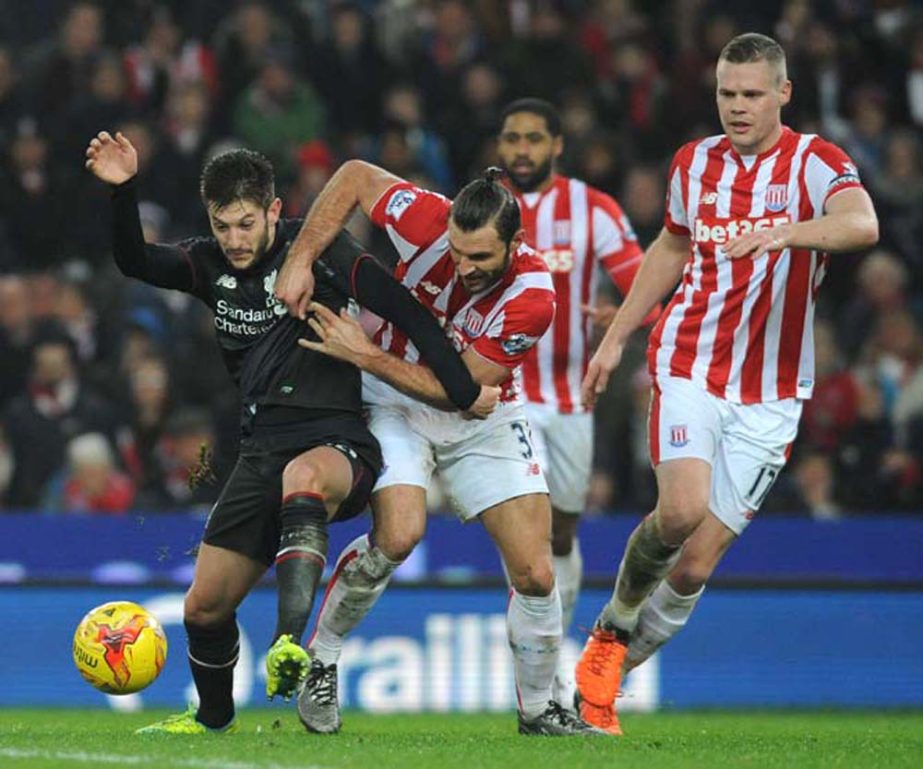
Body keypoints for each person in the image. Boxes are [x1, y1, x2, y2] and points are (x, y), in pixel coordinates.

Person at [85, 131, 497, 734]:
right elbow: (136, 261)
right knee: (204, 609)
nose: (235, 240)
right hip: (259, 449)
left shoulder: (323, 254)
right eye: (223, 226)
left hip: (337, 440)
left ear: (274, 210)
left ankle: (287, 644)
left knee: (303, 478)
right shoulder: (208, 263)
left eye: (246, 224)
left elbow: (408, 311)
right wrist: (124, 193)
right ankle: (214, 719)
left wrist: (462, 393)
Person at [573, 32, 879, 735]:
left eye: (750, 94)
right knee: (677, 513)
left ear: (782, 93)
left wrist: (786, 233)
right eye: (725, 94)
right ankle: (612, 623)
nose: (736, 108)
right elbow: (671, 246)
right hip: (689, 361)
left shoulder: (813, 163)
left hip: (771, 392)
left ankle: (601, 678)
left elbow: (860, 224)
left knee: (693, 565)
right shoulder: (693, 162)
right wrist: (619, 335)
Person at [275, 164, 602, 736]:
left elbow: (465, 393)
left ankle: (539, 710)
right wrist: (300, 258)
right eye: (457, 252)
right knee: (399, 535)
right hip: (390, 404)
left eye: (481, 258)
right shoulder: (424, 216)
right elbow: (352, 176)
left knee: (535, 571)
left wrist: (364, 354)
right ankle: (321, 660)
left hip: (479, 414)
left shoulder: (533, 297)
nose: (465, 268)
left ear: (516, 244)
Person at [495, 97, 658, 706]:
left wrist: (624, 314)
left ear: (558, 144)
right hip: (502, 397)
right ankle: (538, 688)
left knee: (560, 537)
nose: (521, 150)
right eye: (511, 138)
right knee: (530, 541)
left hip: (570, 401)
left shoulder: (593, 210)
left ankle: (552, 657)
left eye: (534, 138)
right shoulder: (482, 207)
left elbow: (650, 289)